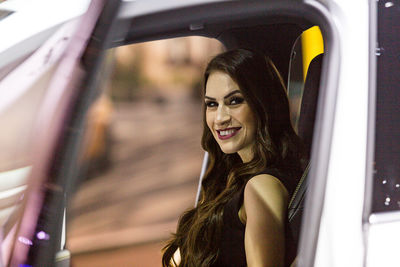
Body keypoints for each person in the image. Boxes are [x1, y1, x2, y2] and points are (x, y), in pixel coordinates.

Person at [162, 49, 305, 267]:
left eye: (235, 101)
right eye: (212, 104)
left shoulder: (260, 187)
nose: (219, 118)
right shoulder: (231, 177)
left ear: (262, 103)